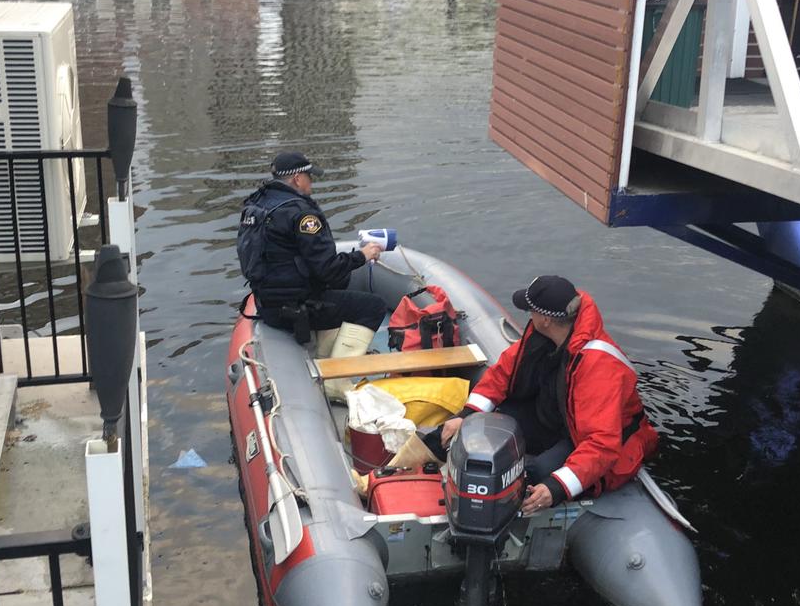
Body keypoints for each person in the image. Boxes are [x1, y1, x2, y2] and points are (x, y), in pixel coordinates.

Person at [437, 276, 657, 516]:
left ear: (545, 320)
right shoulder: (547, 336)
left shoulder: (598, 367)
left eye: (530, 310)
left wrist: (557, 487)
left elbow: (602, 444)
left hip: (590, 438)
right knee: (492, 425)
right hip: (561, 421)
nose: (528, 315)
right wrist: (467, 415)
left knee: (539, 472)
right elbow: (502, 374)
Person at [236, 152, 388, 397]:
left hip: (268, 305)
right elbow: (327, 269)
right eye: (309, 176)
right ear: (297, 178)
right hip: (297, 311)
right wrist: (362, 255)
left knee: (336, 293)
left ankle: (324, 359)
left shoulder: (256, 205)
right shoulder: (302, 214)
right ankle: (337, 383)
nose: (311, 182)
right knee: (373, 307)